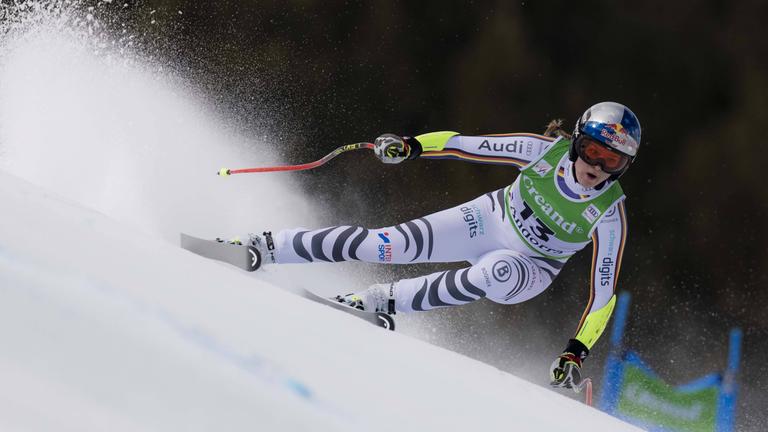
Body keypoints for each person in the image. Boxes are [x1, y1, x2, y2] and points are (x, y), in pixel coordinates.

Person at [228, 101, 641, 390]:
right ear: (577, 142)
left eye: (612, 162)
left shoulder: (609, 213)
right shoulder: (540, 152)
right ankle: (266, 245)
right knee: (383, 245)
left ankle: (378, 301)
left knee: (493, 271)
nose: (597, 167)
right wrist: (411, 147)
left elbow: (602, 296)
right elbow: (462, 144)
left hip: (530, 268)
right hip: (489, 218)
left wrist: (575, 354)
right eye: (592, 151)